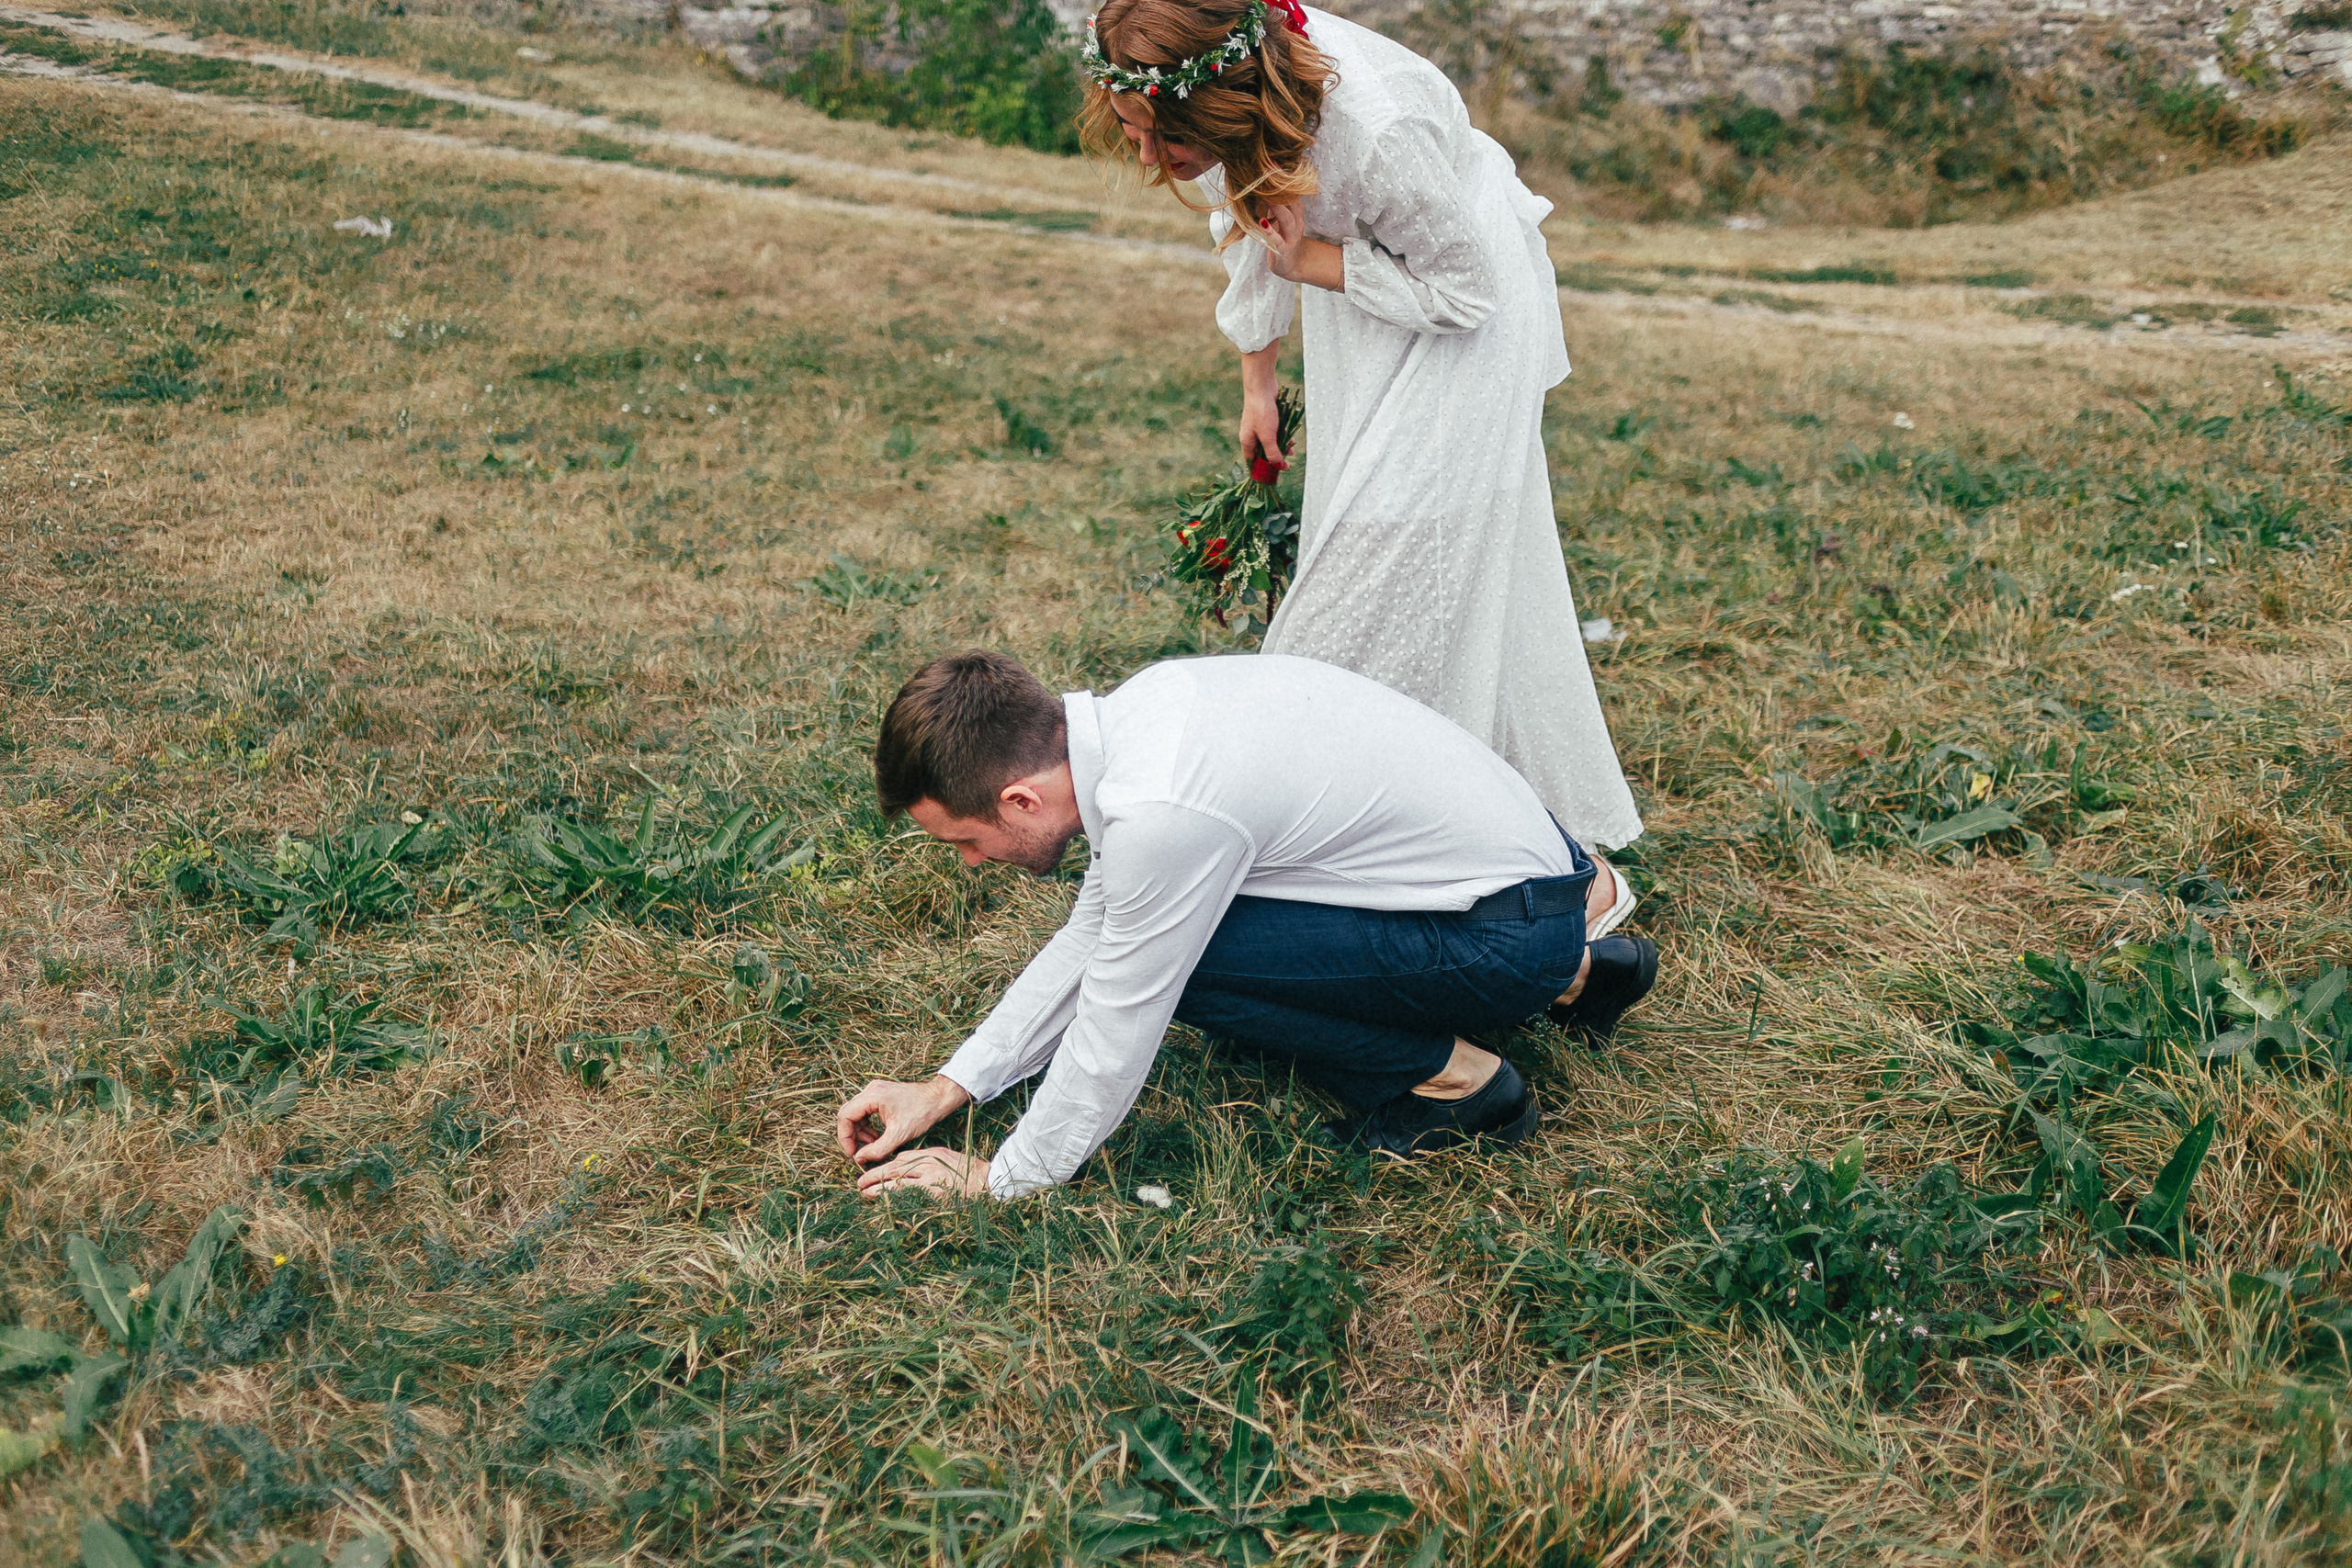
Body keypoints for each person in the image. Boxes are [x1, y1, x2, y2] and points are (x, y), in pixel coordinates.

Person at [1079, 0, 1646, 873]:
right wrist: (1257, 381)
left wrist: (1311, 265)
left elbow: (1466, 291)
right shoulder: (1221, 116)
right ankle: (1428, 820)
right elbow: (1246, 217)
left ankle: (1339, 818)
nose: (1150, 158)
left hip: (1460, 308)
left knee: (1384, 556)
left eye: (1166, 139)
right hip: (1366, 298)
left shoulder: (1379, 132)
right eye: (1132, 131)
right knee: (1398, 558)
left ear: (1226, 105)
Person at [833, 649, 1660, 1200]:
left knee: (1183, 966)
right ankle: (1584, 977)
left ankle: (1459, 1082)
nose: (973, 864)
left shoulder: (1161, 810)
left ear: (1019, 798)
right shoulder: (1141, 714)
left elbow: (1118, 1020)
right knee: (1160, 929)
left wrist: (1000, 1177)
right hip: (1530, 877)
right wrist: (947, 1087)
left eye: (966, 841)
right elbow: (1095, 934)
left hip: (1509, 927)